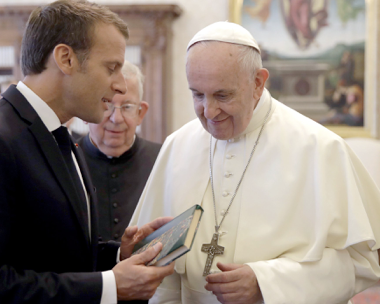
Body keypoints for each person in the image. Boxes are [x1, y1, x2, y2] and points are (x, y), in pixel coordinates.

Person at [130, 21, 380, 304]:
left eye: (223, 95)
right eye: (197, 94)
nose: (209, 112)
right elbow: (162, 277)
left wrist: (267, 283)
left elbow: (365, 262)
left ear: (258, 83)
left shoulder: (319, 148)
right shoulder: (178, 145)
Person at [0, 1, 174, 303]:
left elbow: (55, 253)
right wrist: (108, 287)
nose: (121, 86)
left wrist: (117, 254)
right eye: (111, 67)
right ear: (66, 59)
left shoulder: (58, 135)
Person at [78, 60, 161, 242]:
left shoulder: (163, 160)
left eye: (127, 107)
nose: (116, 118)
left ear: (141, 113)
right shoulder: (67, 160)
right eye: (107, 105)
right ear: (86, 109)